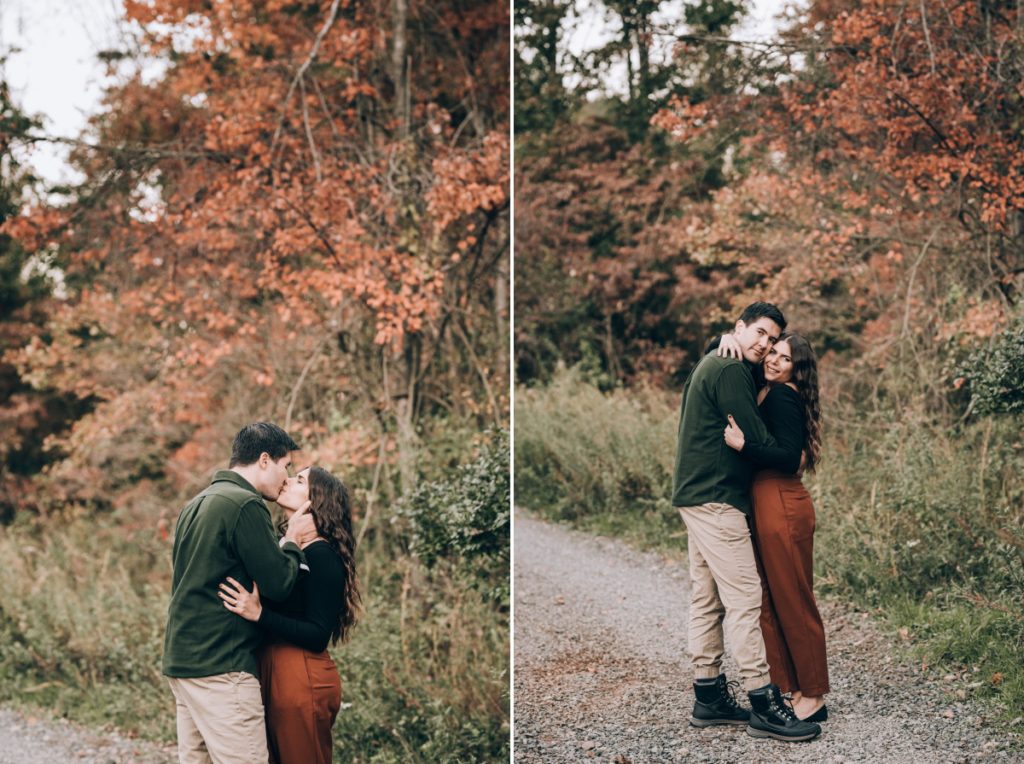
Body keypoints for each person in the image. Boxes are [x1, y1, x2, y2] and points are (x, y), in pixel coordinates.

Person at [672, 301, 821, 742]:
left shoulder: (718, 360)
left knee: (707, 597)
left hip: (697, 494)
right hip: (718, 498)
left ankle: (709, 695)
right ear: (739, 329)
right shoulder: (731, 369)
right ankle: (764, 701)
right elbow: (756, 437)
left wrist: (723, 341)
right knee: (745, 598)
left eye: (773, 340)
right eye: (759, 334)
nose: (765, 345)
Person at [162, 422, 319, 764]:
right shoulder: (244, 504)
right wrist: (291, 539)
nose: (285, 477)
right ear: (264, 460)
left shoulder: (197, 503)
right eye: (285, 466)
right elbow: (279, 584)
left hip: (183, 660)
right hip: (222, 664)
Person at [720, 331, 830, 722]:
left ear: (796, 371)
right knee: (771, 598)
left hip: (782, 501)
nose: (773, 361)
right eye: (773, 353)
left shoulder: (784, 395)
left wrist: (743, 446)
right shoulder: (767, 389)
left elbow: (786, 458)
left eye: (785, 359)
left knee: (793, 599)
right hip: (768, 501)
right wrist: (725, 338)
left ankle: (813, 695)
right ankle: (794, 686)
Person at [218, 465, 361, 764]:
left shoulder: (322, 555)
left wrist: (259, 615)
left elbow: (318, 634)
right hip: (273, 671)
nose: (287, 481)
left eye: (298, 480)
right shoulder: (289, 549)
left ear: (316, 500)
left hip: (301, 676)